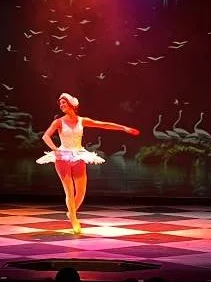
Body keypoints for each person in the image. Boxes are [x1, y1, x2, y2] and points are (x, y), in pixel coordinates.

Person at [37, 92, 140, 234]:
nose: (61, 105)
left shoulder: (82, 120)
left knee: (81, 192)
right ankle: (73, 219)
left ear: (72, 104)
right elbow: (45, 136)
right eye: (60, 103)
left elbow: (103, 125)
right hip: (63, 157)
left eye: (64, 102)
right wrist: (55, 150)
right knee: (69, 190)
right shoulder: (58, 122)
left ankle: (71, 212)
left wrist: (124, 128)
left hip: (79, 155)